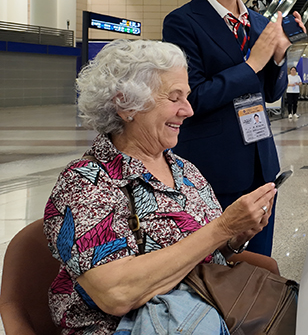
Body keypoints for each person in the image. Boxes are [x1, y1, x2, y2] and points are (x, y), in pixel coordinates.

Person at [44, 39, 276, 335]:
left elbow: (201, 253)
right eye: (175, 97)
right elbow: (116, 293)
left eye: (187, 97)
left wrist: (232, 238)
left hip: (205, 312)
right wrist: (221, 229)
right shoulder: (86, 183)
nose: (189, 110)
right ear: (126, 104)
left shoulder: (183, 169)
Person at [162, 0, 304, 256]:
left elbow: (269, 93)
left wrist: (280, 57)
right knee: (217, 263)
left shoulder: (257, 23)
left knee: (259, 260)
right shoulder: (183, 22)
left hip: (262, 162)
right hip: (215, 166)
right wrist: (253, 64)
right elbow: (193, 97)